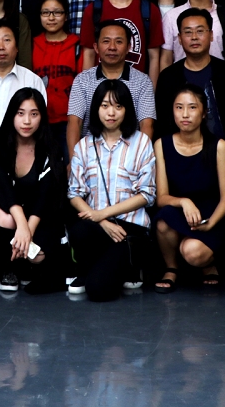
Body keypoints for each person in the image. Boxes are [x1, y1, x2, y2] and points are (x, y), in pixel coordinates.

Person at [67, 79, 156, 301]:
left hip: (129, 230)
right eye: (105, 105)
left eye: (118, 106)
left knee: (98, 291)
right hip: (97, 226)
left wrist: (103, 214)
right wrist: (101, 221)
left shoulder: (141, 143)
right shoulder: (84, 146)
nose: (111, 113)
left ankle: (124, 268)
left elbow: (147, 194)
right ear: (96, 108)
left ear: (127, 110)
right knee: (79, 231)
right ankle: (93, 269)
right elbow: (74, 193)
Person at [0, 89, 66, 293]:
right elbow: (3, 189)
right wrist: (21, 225)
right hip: (8, 207)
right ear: (12, 115)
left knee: (38, 256)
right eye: (20, 113)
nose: (27, 121)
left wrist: (28, 231)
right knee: (6, 219)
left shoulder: (51, 147)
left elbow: (46, 195)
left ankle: (27, 268)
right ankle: (7, 269)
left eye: (34, 114)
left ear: (42, 117)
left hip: (40, 212)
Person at [153, 85, 225, 292]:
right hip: (180, 212)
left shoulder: (218, 146)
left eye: (192, 107)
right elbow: (161, 197)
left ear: (204, 112)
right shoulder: (162, 144)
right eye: (179, 107)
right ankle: (171, 268)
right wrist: (184, 202)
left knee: (192, 252)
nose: (185, 114)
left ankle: (208, 264)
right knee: (163, 222)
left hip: (211, 215)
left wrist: (211, 223)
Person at [155, 9, 225, 145]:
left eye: (200, 31)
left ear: (211, 35)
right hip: (181, 151)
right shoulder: (168, 77)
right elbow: (163, 125)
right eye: (188, 32)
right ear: (179, 38)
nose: (194, 37)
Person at [66, 21, 157, 156]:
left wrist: (138, 159)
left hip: (129, 155)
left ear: (128, 47)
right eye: (106, 41)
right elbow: (75, 122)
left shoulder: (143, 81)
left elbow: (146, 124)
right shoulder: (82, 80)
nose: (112, 47)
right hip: (90, 154)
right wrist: (74, 160)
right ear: (96, 47)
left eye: (119, 42)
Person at [78, 0, 162, 82]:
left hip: (138, 89)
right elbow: (88, 55)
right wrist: (88, 90)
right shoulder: (93, 10)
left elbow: (154, 57)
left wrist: (151, 92)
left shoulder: (150, 10)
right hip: (101, 89)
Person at [33, 0, 81, 153]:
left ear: (66, 16)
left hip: (69, 122)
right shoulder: (32, 44)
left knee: (70, 164)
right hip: (39, 122)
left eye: (57, 12)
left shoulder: (77, 45)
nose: (51, 18)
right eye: (45, 13)